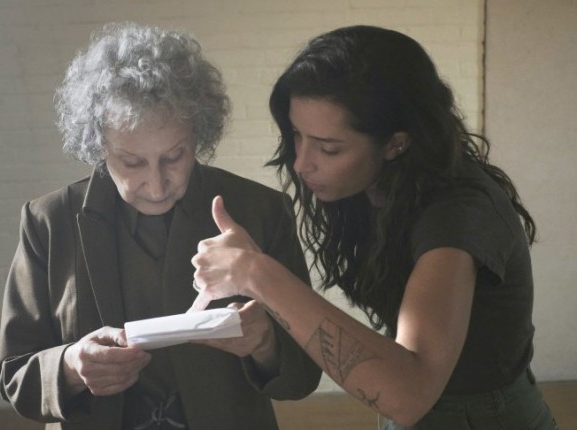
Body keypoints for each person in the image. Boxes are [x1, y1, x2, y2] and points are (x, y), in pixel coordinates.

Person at [190, 25, 559, 429]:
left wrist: (257, 272)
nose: (301, 163)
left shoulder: (458, 216)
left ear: (396, 143)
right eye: (297, 135)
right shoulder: (375, 186)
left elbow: (408, 394)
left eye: (329, 148)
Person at [0, 22, 321, 430]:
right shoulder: (49, 222)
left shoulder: (260, 211)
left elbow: (304, 375)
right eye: (132, 162)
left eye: (174, 157)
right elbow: (14, 374)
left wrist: (265, 343)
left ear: (199, 135)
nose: (156, 184)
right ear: (98, 145)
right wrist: (71, 365)